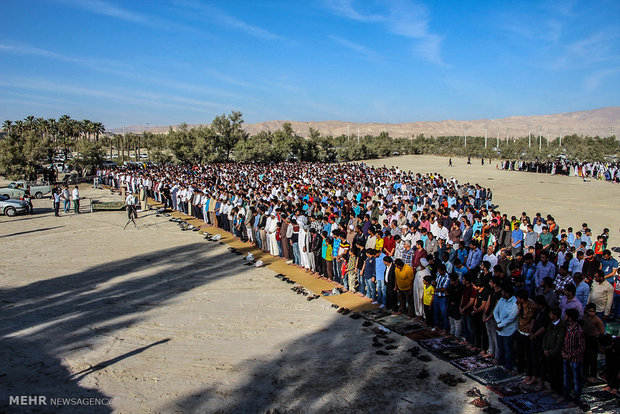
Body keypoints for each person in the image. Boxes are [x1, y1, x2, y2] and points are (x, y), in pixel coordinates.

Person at [561, 308, 585, 404]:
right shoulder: (568, 327)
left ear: (570, 318)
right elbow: (565, 341)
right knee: (567, 378)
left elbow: (581, 348)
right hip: (566, 356)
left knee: (576, 380)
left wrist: (570, 355)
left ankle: (576, 400)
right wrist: (563, 351)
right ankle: (566, 396)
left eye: (566, 316)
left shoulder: (578, 330)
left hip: (575, 359)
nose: (565, 317)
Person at [494, 285, 519, 372]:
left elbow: (511, 318)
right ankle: (501, 361)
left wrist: (500, 325)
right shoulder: (501, 299)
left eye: (503, 292)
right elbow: (495, 311)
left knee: (508, 349)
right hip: (500, 328)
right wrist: (498, 322)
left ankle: (509, 366)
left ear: (507, 293)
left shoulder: (515, 303)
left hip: (509, 330)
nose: (501, 293)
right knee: (501, 347)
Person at [542, 307, 566, 395]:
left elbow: (560, 342)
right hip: (548, 351)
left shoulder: (562, 326)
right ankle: (552, 387)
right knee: (551, 371)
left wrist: (551, 352)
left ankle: (558, 390)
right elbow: (545, 336)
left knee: (557, 372)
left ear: (555, 315)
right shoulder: (551, 324)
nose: (549, 315)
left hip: (556, 354)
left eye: (551, 314)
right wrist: (545, 349)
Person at [582, 303, 605, 384]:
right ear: (587, 310)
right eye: (590, 311)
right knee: (585, 357)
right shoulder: (584, 317)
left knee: (593, 358)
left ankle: (593, 375)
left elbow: (602, 331)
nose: (591, 313)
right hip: (585, 338)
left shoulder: (597, 320)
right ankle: (585, 373)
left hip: (593, 339)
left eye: (593, 311)